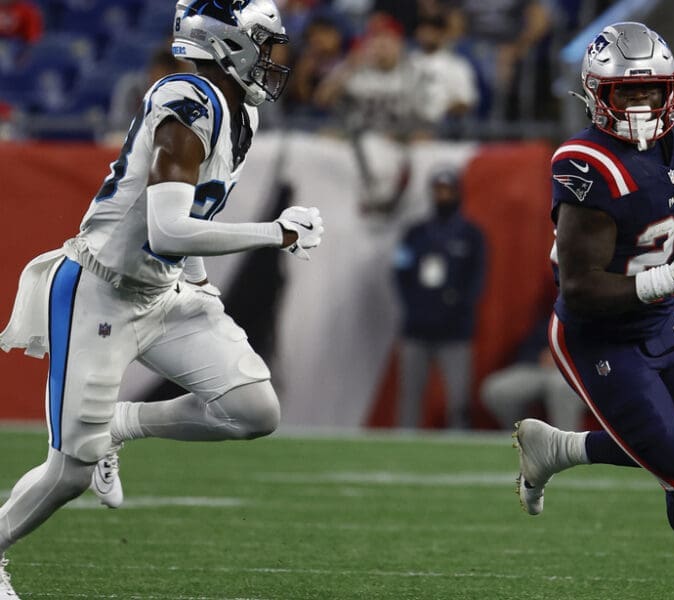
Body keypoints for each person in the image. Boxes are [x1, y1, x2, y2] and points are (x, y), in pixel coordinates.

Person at [0, 1, 324, 596]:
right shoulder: (189, 101)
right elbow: (166, 229)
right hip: (99, 290)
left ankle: (123, 424)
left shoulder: (236, 113)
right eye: (266, 44)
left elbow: (194, 209)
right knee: (69, 472)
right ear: (229, 42)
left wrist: (198, 285)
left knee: (255, 409)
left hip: (161, 291)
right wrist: (275, 233)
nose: (276, 60)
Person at [512, 22, 674, 600]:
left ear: (671, 90)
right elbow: (578, 288)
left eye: (651, 90)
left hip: (658, 321)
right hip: (596, 335)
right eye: (625, 92)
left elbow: (673, 205)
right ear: (595, 94)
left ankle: (559, 448)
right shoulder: (585, 163)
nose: (640, 104)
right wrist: (672, 275)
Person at [392, 166, 486, 429]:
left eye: (447, 190)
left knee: (458, 399)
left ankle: (459, 448)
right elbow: (400, 272)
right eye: (438, 190)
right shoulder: (415, 233)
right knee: (410, 397)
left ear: (457, 193)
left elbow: (477, 281)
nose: (442, 196)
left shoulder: (471, 235)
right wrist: (414, 306)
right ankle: (403, 447)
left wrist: (457, 307)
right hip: (416, 328)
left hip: (455, 331)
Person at [480, 310, 583, 430]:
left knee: (561, 387)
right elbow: (532, 344)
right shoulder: (561, 310)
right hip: (539, 367)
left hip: (576, 372)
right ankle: (523, 436)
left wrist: (566, 357)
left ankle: (565, 445)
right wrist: (541, 356)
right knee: (496, 389)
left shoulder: (603, 312)